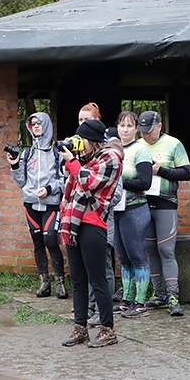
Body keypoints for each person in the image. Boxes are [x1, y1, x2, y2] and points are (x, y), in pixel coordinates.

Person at [59, 119, 123, 347]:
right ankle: (80, 328)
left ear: (92, 141)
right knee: (77, 279)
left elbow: (89, 182)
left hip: (93, 222)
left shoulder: (111, 158)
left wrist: (73, 163)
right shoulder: (86, 160)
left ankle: (108, 329)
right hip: (74, 223)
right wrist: (71, 161)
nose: (79, 145)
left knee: (98, 279)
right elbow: (71, 186)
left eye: (82, 140)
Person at [8, 112, 67, 299]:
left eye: (39, 123)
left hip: (51, 204)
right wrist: (15, 165)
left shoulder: (57, 151)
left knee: (51, 239)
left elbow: (64, 180)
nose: (36, 126)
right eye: (32, 124)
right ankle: (44, 282)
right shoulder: (28, 152)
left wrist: (49, 189)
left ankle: (60, 281)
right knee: (38, 242)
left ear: (47, 125)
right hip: (31, 203)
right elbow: (21, 181)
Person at [138, 110, 190, 316]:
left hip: (165, 202)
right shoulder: (138, 145)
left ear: (159, 126)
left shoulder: (173, 144)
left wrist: (161, 170)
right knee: (150, 249)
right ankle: (158, 294)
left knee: (166, 250)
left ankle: (173, 296)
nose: (146, 136)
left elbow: (186, 173)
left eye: (149, 131)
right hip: (142, 202)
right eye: (142, 132)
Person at [78, 103, 120, 324]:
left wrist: (97, 201)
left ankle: (102, 315)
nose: (81, 126)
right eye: (79, 121)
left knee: (102, 268)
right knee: (83, 271)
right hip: (80, 220)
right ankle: (86, 310)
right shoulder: (83, 156)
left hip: (102, 217)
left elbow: (116, 193)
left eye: (86, 121)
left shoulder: (110, 157)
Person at [113, 112, 153, 318]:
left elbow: (145, 182)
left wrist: (119, 182)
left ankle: (140, 302)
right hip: (117, 210)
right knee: (123, 257)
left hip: (135, 209)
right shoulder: (113, 149)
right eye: (122, 125)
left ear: (136, 129)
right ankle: (126, 298)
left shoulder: (141, 150)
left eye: (129, 126)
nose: (125, 129)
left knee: (137, 256)